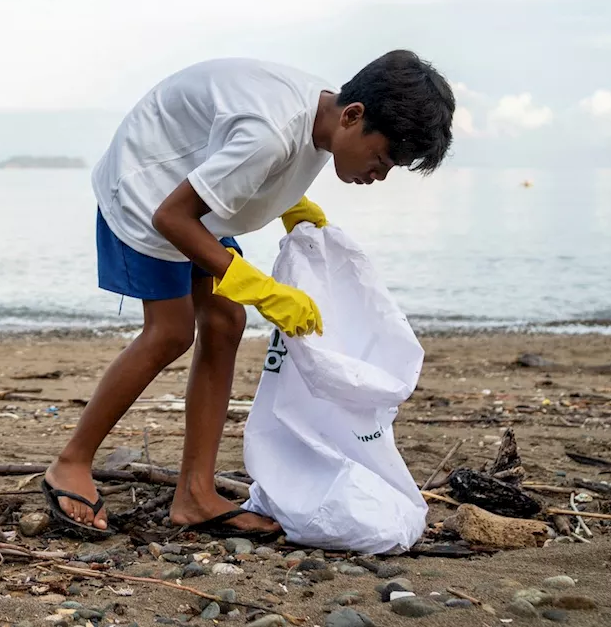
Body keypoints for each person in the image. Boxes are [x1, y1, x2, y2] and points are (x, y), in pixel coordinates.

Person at [42, 50, 454, 539]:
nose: (379, 175)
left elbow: (258, 159)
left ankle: (194, 494)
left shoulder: (324, 114)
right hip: (148, 187)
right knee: (171, 332)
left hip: (194, 185)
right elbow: (173, 218)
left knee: (224, 323)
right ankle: (71, 462)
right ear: (353, 115)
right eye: (382, 159)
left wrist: (293, 205)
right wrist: (263, 290)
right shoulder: (270, 131)